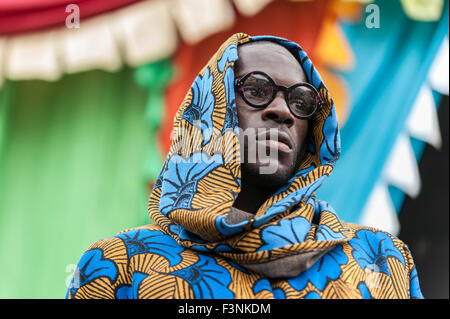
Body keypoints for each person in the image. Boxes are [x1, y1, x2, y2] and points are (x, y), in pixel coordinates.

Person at [66, 33, 423, 299]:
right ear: (209, 109)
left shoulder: (381, 261)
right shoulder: (118, 267)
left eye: (301, 100)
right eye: (255, 89)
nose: (282, 111)